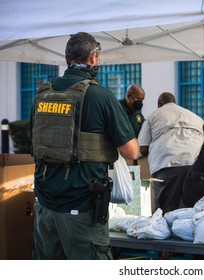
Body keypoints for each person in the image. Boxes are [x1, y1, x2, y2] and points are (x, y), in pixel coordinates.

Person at [31, 32, 139, 260]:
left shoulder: (42, 95)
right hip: (81, 208)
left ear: (68, 58)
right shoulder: (101, 95)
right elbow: (132, 151)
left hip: (45, 206)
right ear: (93, 58)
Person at [137, 92, 204, 214]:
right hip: (195, 165)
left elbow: (143, 148)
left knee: (166, 211)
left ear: (160, 104)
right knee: (192, 211)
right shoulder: (194, 117)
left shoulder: (154, 115)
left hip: (168, 165)